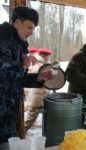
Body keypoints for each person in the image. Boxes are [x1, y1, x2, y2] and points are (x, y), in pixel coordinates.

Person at [0, 6, 52, 143]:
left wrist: (38, 77)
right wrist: (21, 65)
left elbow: (17, 79)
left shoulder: (20, 45)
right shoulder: (2, 40)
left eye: (33, 29)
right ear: (17, 22)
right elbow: (4, 75)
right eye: (29, 27)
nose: (31, 32)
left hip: (9, 113)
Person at [24, 48, 52, 132]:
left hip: (38, 95)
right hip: (37, 96)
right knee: (30, 119)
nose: (49, 58)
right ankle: (20, 134)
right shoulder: (40, 66)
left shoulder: (39, 64)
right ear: (44, 56)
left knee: (31, 114)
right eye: (48, 56)